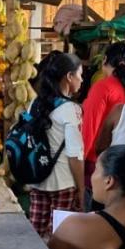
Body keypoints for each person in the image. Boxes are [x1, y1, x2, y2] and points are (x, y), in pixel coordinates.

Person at [28, 53, 85, 238]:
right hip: (64, 184)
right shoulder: (71, 110)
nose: (82, 80)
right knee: (58, 240)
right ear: (69, 77)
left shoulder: (34, 104)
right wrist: (81, 189)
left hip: (38, 180)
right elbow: (74, 155)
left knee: (35, 238)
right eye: (80, 75)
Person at [82, 42, 125, 211]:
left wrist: (80, 162)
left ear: (105, 59)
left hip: (99, 164)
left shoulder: (102, 87)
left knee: (97, 215)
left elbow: (89, 127)